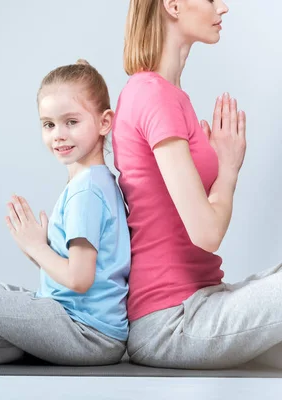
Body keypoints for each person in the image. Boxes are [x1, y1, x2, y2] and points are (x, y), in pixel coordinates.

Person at [112, 0, 282, 369]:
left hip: (206, 300)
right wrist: (229, 168)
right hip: (172, 322)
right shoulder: (153, 95)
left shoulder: (168, 95)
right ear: (172, 5)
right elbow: (206, 233)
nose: (222, 7)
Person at [0, 60, 131, 367]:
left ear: (104, 122)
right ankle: (17, 344)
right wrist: (39, 251)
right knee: (4, 293)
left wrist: (37, 247)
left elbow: (79, 278)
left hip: (89, 336)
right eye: (49, 124)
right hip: (77, 323)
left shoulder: (87, 191)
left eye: (71, 122)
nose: (58, 134)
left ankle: (14, 347)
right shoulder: (93, 181)